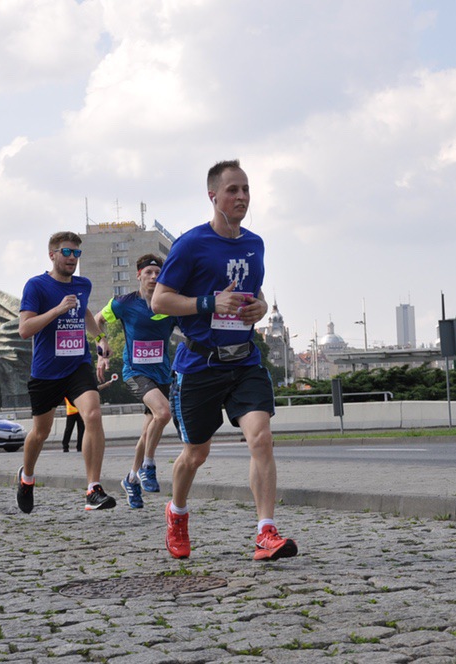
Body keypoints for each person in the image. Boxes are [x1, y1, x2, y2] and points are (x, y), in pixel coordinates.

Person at [151, 159, 297, 561]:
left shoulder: (255, 243)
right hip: (200, 364)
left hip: (244, 361)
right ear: (213, 196)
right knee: (196, 454)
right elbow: (159, 301)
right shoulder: (191, 244)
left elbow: (255, 292)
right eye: (233, 190)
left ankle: (265, 531)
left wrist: (260, 307)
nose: (242, 197)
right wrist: (208, 303)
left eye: (246, 189)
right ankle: (177, 513)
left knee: (261, 438)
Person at [15, 231, 115, 513]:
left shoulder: (84, 285)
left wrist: (100, 338)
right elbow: (24, 329)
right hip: (47, 371)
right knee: (41, 432)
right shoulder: (36, 286)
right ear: (52, 255)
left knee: (93, 414)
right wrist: (57, 310)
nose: (72, 258)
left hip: (77, 366)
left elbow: (84, 313)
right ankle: (26, 478)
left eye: (77, 253)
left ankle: (93, 489)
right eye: (67, 252)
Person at [95, 253, 177, 509]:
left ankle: (131, 479)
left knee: (147, 431)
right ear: (139, 276)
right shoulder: (124, 303)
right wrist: (101, 349)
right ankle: (147, 466)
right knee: (163, 413)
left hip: (162, 374)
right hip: (134, 372)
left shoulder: (169, 304)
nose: (153, 277)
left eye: (158, 273)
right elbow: (96, 320)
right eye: (148, 273)